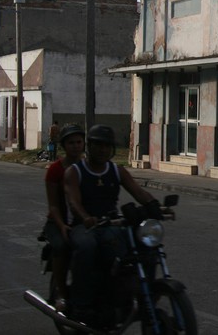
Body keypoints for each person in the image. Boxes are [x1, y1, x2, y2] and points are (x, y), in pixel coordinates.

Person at [64, 124, 158, 324]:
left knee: (136, 248)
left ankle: (128, 296)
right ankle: (81, 305)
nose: (102, 150)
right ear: (89, 146)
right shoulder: (75, 171)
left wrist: (154, 205)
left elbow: (138, 192)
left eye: (107, 146)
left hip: (111, 223)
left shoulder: (117, 170)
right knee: (87, 246)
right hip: (85, 226)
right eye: (98, 145)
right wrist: (86, 217)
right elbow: (74, 202)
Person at [42, 123, 85, 312]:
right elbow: (53, 205)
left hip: (81, 219)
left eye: (79, 142)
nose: (75, 146)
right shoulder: (55, 170)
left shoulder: (88, 167)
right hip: (58, 220)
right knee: (61, 246)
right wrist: (61, 225)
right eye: (71, 143)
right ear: (64, 146)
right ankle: (61, 291)